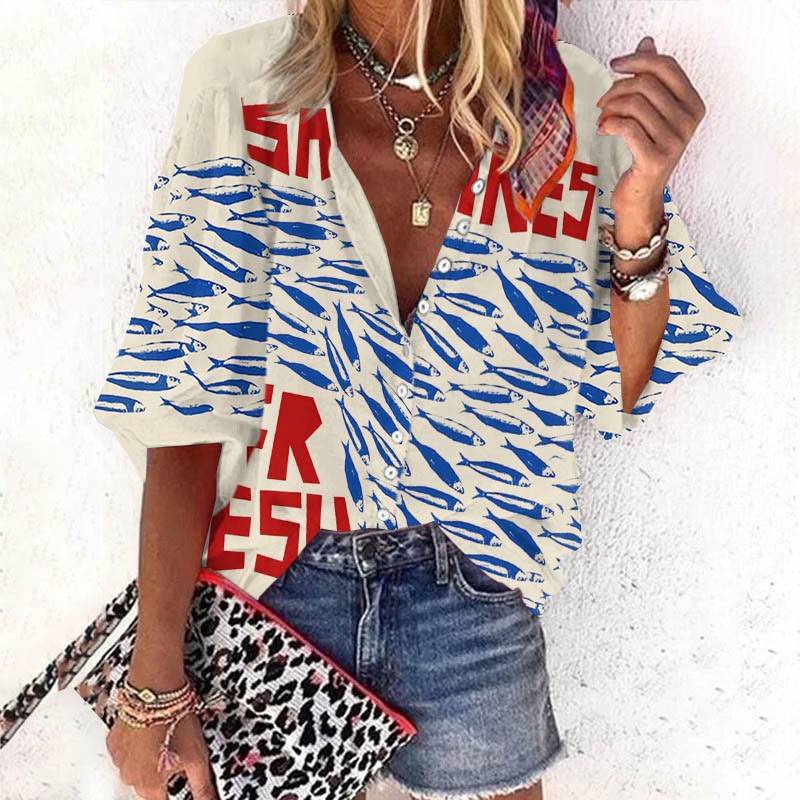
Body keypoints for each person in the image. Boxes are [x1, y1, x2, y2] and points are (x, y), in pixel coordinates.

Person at [94, 1, 742, 799]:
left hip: (475, 588)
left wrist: (639, 203)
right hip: (277, 585)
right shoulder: (244, 90)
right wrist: (153, 678)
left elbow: (617, 384)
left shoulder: (567, 108)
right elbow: (185, 396)